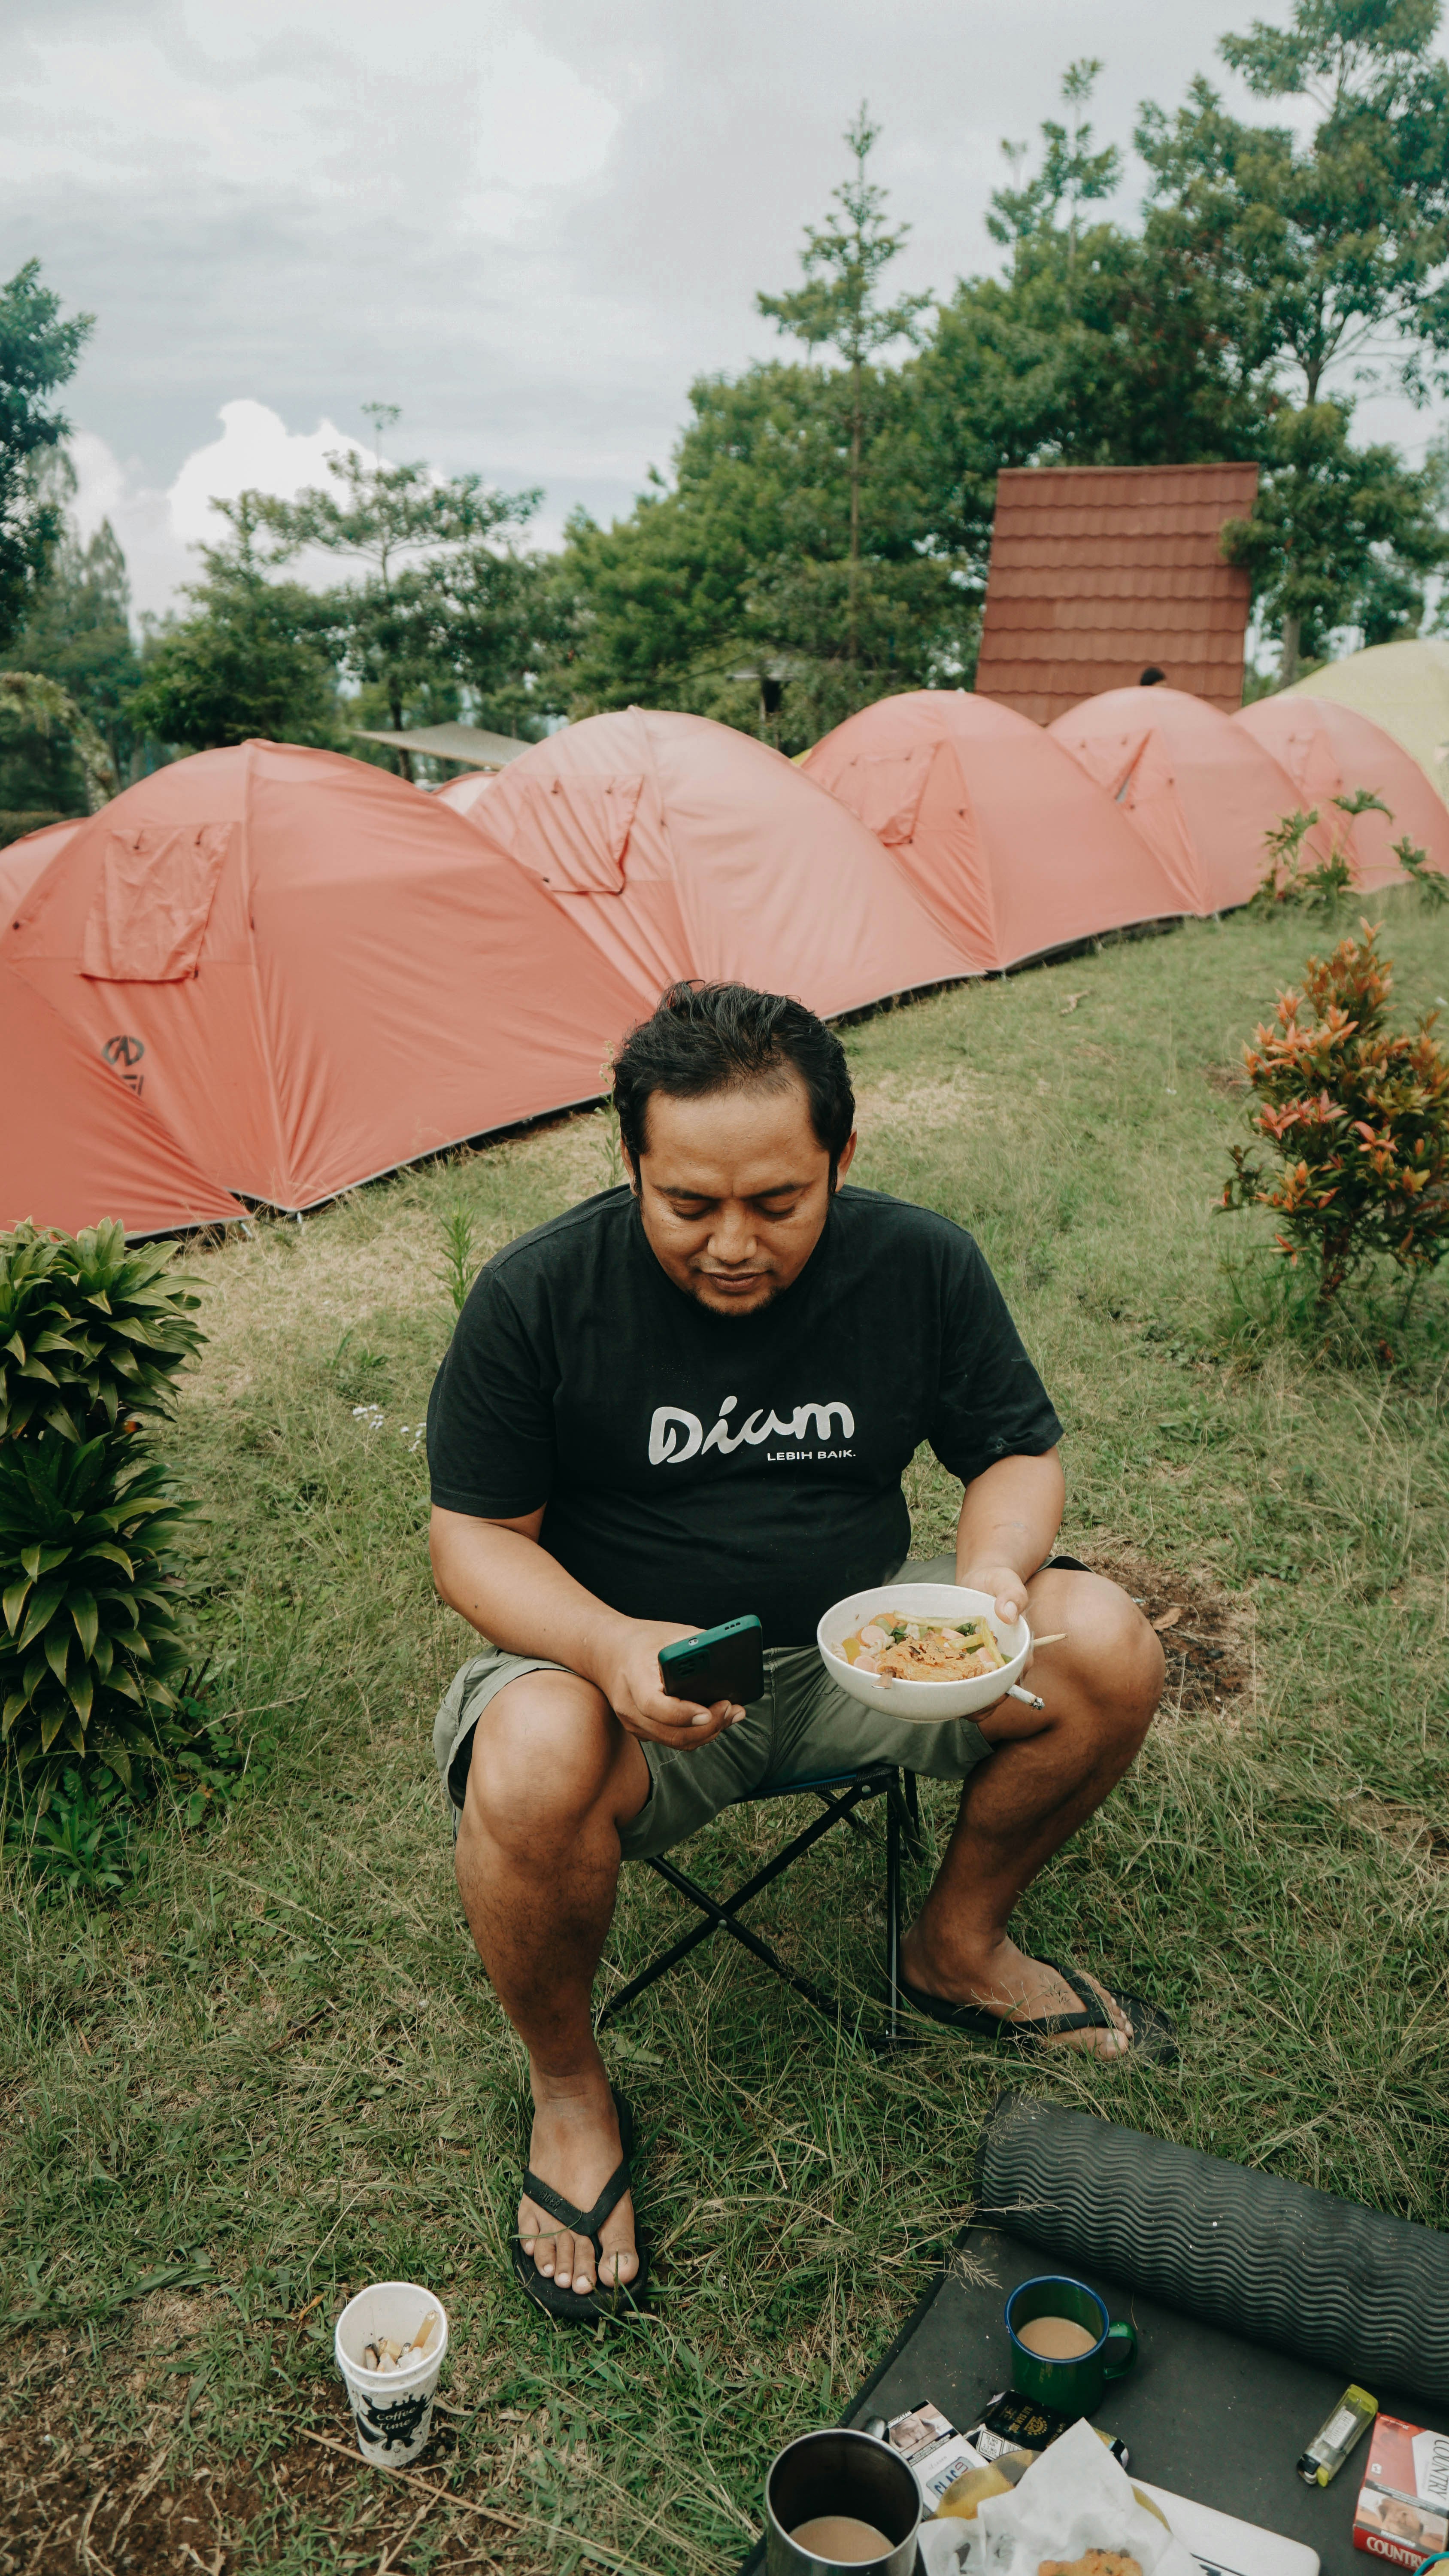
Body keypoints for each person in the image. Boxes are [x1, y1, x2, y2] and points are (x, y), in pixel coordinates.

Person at [427, 982, 1171, 2324]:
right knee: (529, 1755)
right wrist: (604, 1644)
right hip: (623, 1693)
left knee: (1105, 1644)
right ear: (632, 1165)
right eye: (687, 1204)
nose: (731, 1245)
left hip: (860, 1655)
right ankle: (572, 2094)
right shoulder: (539, 1294)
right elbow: (473, 1539)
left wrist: (992, 1577)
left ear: (841, 1156)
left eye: (777, 1202)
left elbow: (1013, 1449)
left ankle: (954, 1945)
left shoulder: (918, 1264)